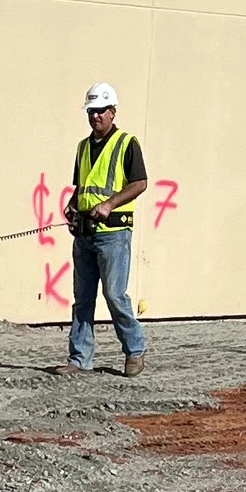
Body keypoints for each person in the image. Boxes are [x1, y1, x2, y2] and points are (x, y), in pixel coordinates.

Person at [55, 82, 147, 375]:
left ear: (113, 112)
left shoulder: (126, 143)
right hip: (85, 234)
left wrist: (109, 204)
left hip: (114, 234)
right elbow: (82, 186)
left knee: (115, 295)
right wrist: (73, 205)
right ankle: (79, 359)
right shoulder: (83, 147)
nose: (96, 116)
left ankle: (135, 350)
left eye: (101, 111)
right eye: (91, 111)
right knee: (82, 298)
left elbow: (139, 183)